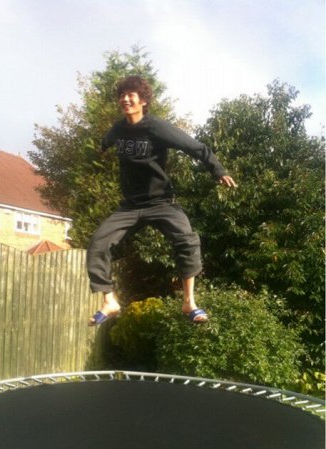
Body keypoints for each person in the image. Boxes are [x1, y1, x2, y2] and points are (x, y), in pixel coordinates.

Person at [87, 75, 237, 326]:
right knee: (98, 244)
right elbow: (105, 142)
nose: (125, 99)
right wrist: (100, 149)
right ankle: (110, 302)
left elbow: (195, 147)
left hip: (161, 203)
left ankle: (189, 302)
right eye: (122, 95)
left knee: (187, 240)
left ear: (143, 100)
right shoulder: (118, 129)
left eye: (131, 95)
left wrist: (218, 170)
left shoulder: (156, 127)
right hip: (130, 206)